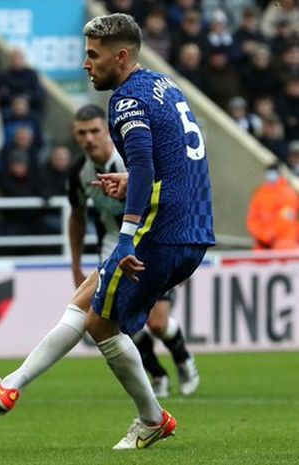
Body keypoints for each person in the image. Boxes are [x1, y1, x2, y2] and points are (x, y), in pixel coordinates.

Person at [0, 13, 215, 450]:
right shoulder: (165, 85)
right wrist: (136, 186)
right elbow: (171, 160)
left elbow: (140, 163)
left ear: (121, 57)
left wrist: (127, 232)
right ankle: (11, 386)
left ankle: (151, 418)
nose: (86, 64)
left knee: (99, 323)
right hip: (193, 225)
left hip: (158, 230)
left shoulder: (125, 101)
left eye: (93, 56)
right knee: (85, 299)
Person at [68, 104, 200, 398]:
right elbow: (77, 217)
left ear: (107, 131)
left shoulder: (133, 160)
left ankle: (183, 359)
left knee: (157, 323)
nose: (89, 139)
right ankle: (157, 374)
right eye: (81, 133)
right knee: (119, 319)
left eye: (94, 131)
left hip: (151, 243)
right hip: (112, 249)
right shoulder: (78, 173)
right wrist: (75, 264)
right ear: (75, 136)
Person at [246, 163, 299, 250]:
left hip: (284, 243)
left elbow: (285, 218)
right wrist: (262, 235)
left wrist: (270, 234)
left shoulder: (288, 194)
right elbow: (252, 218)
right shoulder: (260, 193)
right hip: (262, 244)